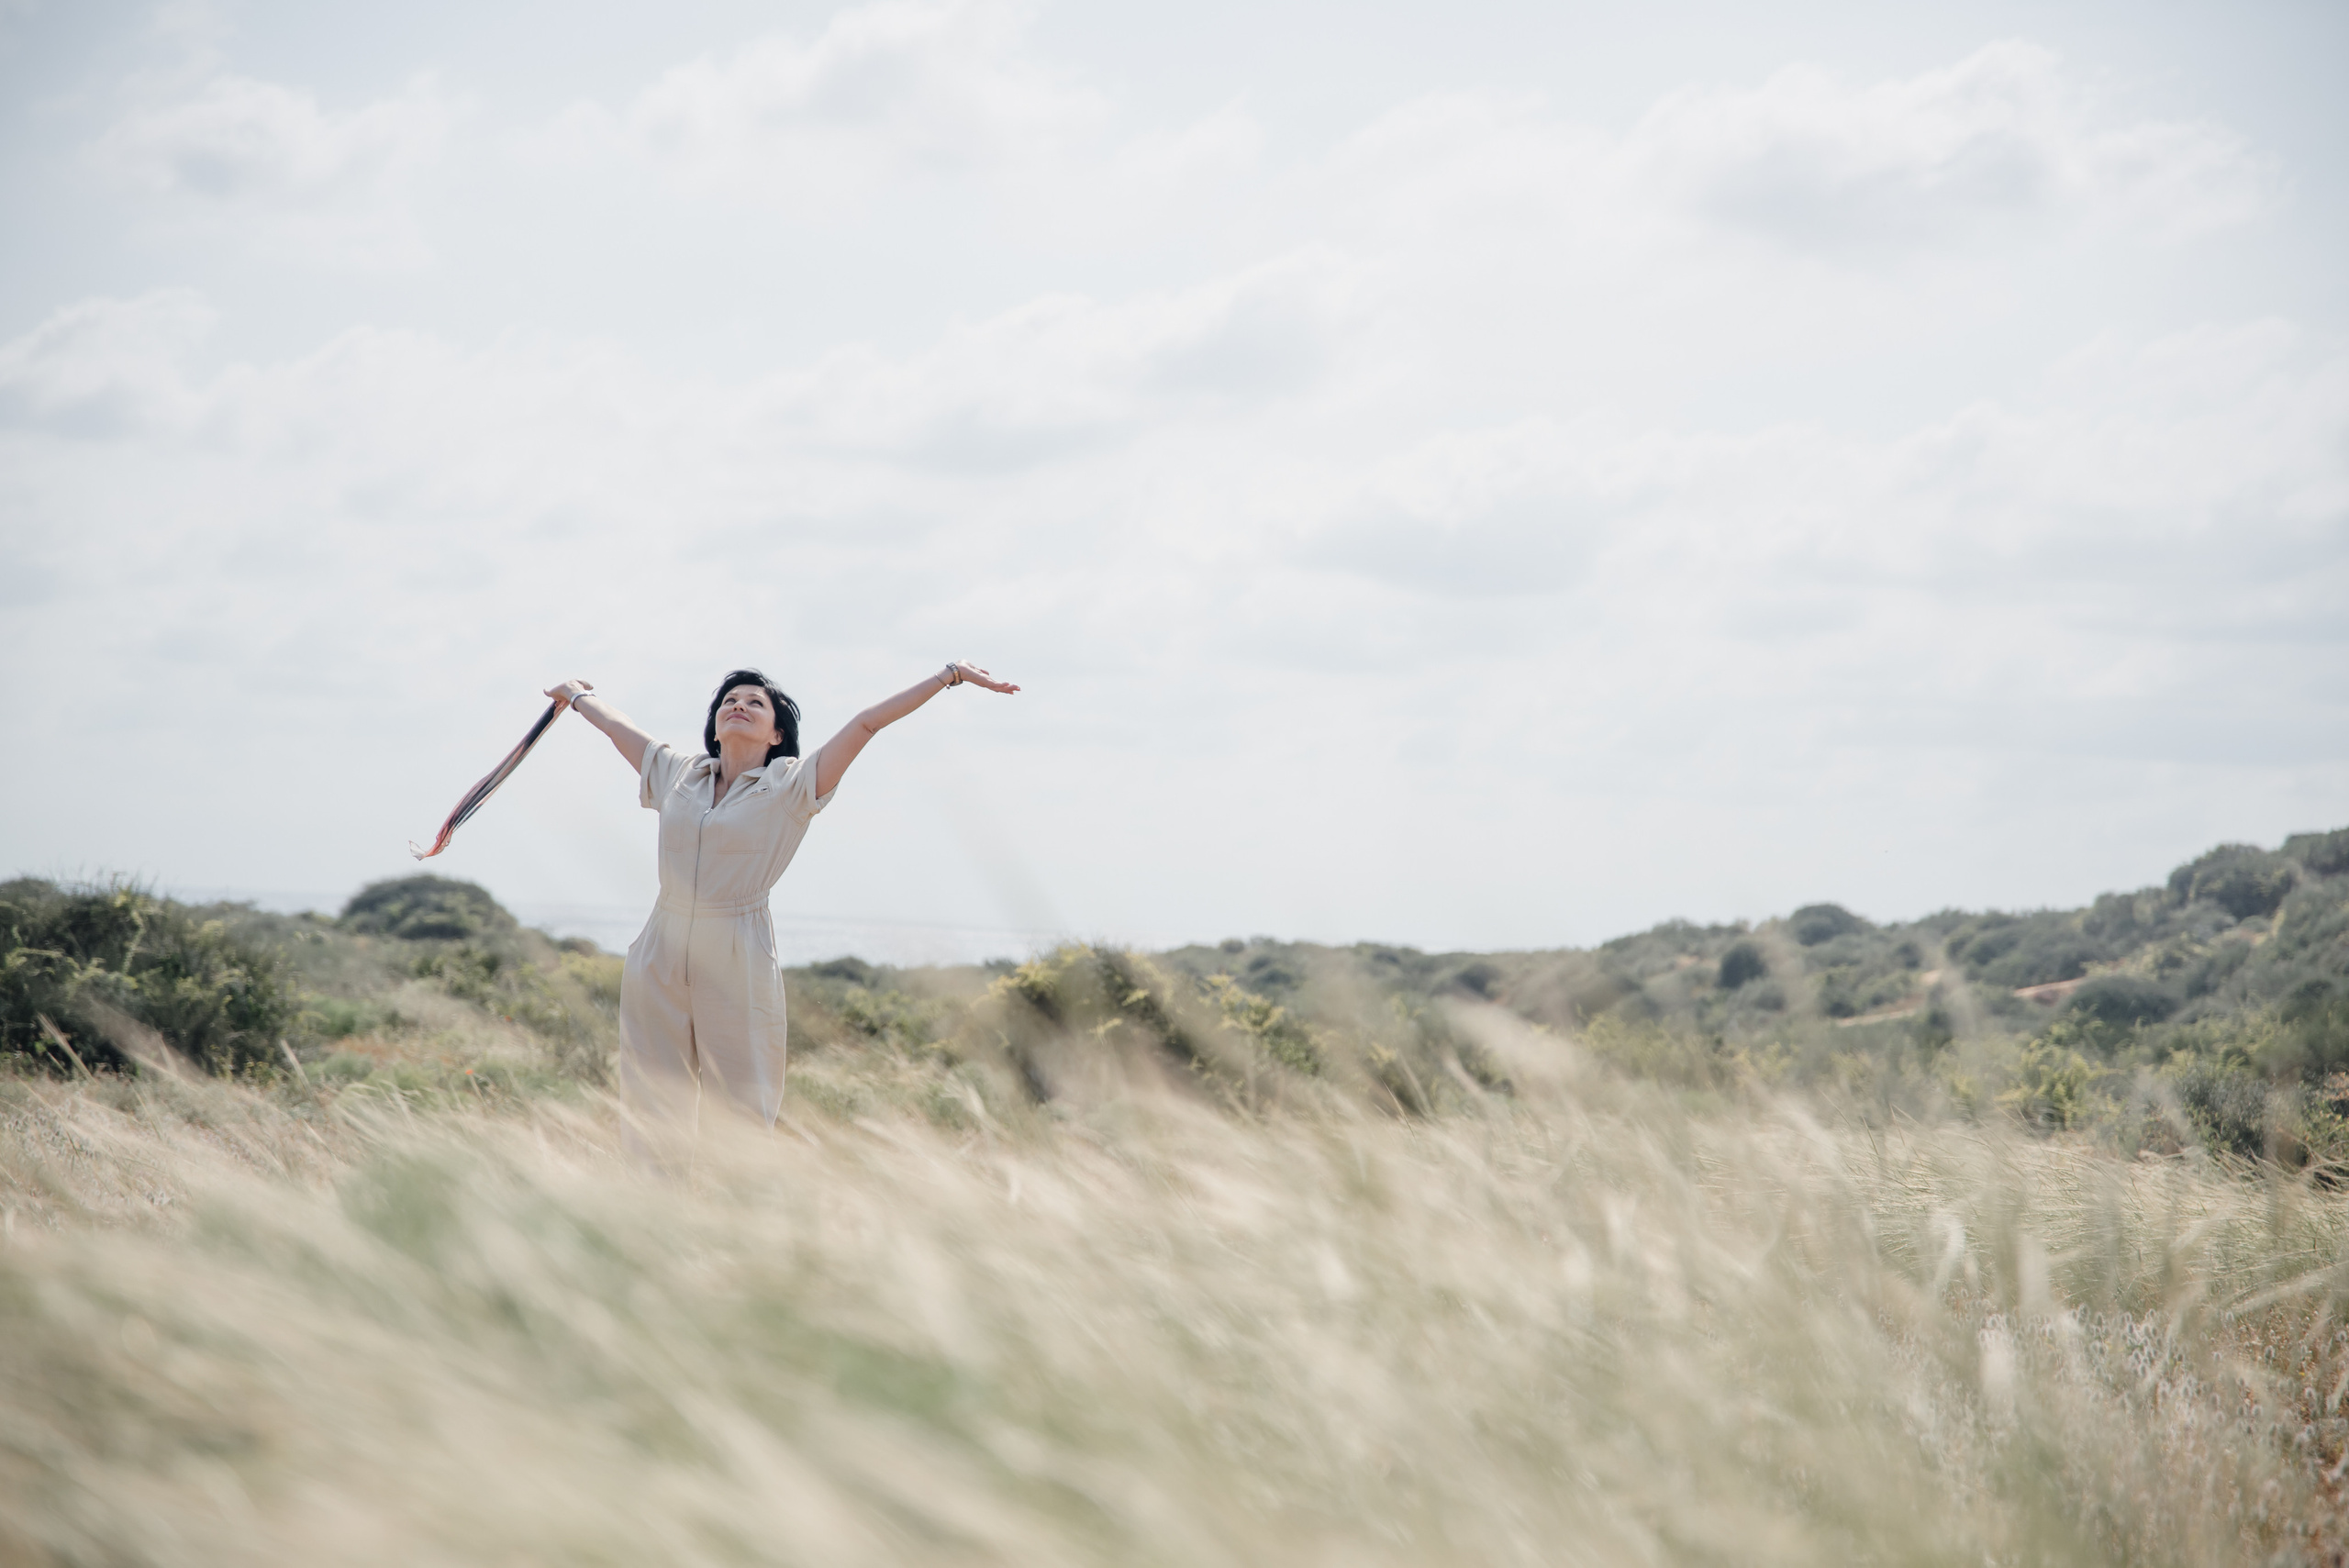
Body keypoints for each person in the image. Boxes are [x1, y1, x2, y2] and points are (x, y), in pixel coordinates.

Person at [544, 662, 1019, 1146]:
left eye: (756, 702)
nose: (739, 705)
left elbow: (866, 723)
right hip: (658, 948)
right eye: (729, 701)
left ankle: (742, 1192)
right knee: (651, 1104)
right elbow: (618, 728)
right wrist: (577, 696)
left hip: (737, 952)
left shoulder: (792, 786)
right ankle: (651, 1193)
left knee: (742, 1110)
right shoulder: (680, 774)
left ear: (776, 735)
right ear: (715, 728)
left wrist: (949, 676)